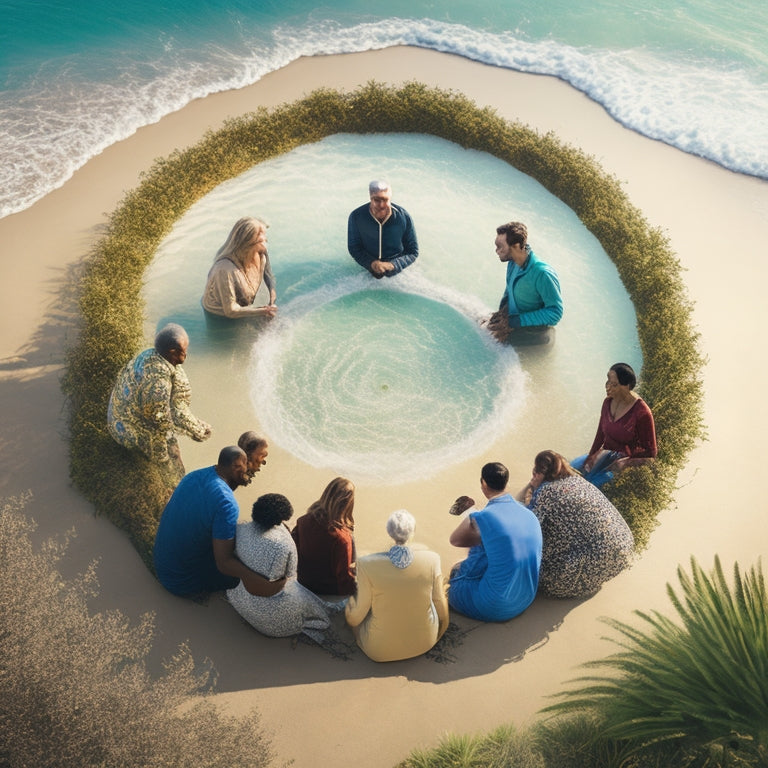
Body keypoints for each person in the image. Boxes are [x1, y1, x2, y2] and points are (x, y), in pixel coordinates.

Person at [153, 446, 286, 598]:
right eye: (246, 464)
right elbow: (224, 563)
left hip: (161, 562)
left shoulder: (195, 475)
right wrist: (264, 584)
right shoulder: (226, 503)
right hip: (179, 581)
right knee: (236, 566)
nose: (248, 469)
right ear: (236, 465)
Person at [517, 450, 635, 598]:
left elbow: (528, 528)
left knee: (531, 568)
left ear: (540, 473)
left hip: (592, 565)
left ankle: (579, 583)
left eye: (535, 472)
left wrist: (530, 494)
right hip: (622, 553)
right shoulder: (578, 480)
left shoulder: (546, 492)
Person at [107, 323, 211, 483]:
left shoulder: (152, 354)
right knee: (167, 455)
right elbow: (159, 419)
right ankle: (170, 484)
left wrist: (192, 425)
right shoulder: (157, 383)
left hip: (123, 413)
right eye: (185, 349)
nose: (187, 353)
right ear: (173, 352)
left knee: (170, 439)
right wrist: (195, 429)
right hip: (126, 427)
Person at [227, 493, 334, 642]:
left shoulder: (240, 527)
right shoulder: (283, 545)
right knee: (312, 604)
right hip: (272, 620)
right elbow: (291, 575)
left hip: (240, 599)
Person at [345, 510, 448, 662]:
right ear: (412, 532)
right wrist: (442, 629)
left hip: (378, 651)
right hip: (425, 643)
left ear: (389, 532)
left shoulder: (367, 564)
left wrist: (349, 615)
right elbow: (440, 605)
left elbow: (359, 614)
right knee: (434, 595)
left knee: (359, 605)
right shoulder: (432, 559)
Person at [448, 462, 542, 622]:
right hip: (526, 597)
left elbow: (455, 540)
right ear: (506, 483)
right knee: (495, 549)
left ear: (483, 483)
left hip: (495, 606)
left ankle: (469, 511)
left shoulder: (484, 518)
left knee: (455, 575)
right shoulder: (529, 514)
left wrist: (473, 517)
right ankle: (471, 512)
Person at [571, 362, 658, 487]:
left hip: (624, 461)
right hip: (607, 453)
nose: (608, 388)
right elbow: (600, 433)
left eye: (614, 385)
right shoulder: (607, 402)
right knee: (570, 469)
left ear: (626, 386)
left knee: (590, 485)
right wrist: (591, 456)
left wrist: (624, 463)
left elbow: (651, 453)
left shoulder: (641, 412)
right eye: (608, 382)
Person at [485, 221, 563, 346]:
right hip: (513, 321)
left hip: (533, 332)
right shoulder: (512, 262)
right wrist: (502, 313)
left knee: (494, 346)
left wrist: (517, 321)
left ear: (516, 246)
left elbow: (555, 313)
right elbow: (509, 289)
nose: (497, 251)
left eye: (500, 246)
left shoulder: (543, 274)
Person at [202, 217, 278, 319]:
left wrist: (271, 301)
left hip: (245, 306)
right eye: (260, 238)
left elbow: (268, 277)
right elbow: (230, 311)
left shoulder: (261, 252)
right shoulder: (224, 269)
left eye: (264, 235)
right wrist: (263, 311)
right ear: (246, 243)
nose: (265, 241)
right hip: (220, 317)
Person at [292, 477, 357, 596]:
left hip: (304, 583)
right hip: (328, 590)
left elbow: (294, 552)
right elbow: (344, 579)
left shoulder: (303, 521)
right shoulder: (342, 538)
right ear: (348, 502)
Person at [347, 180, 419, 278]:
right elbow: (354, 247)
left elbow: (412, 251)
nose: (381, 205)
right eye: (376, 200)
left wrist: (393, 265)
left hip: (398, 269)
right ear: (370, 197)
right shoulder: (356, 216)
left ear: (390, 198)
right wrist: (372, 263)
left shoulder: (403, 216)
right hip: (367, 267)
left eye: (385, 200)